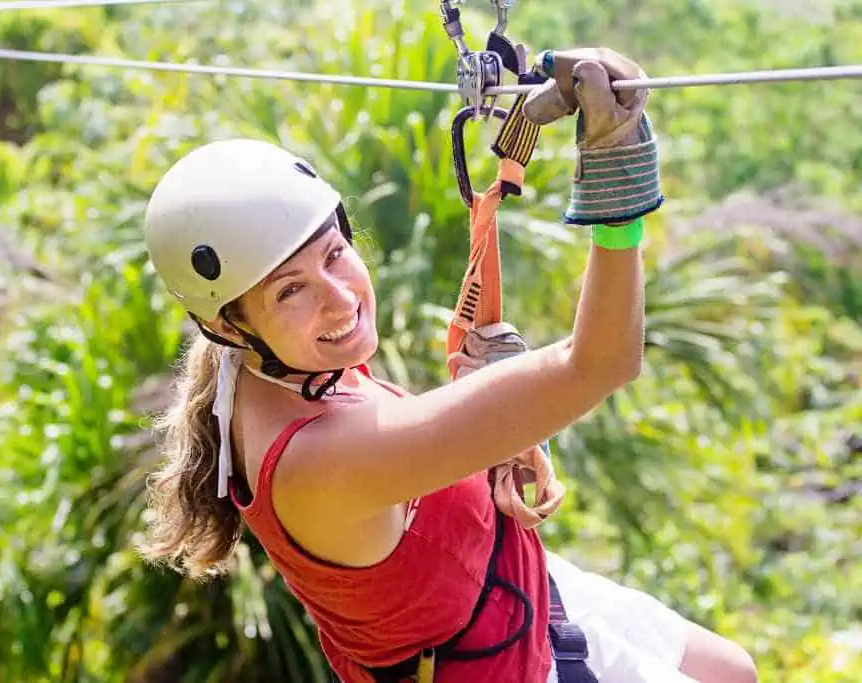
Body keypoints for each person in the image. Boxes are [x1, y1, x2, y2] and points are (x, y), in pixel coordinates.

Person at [137, 47, 758, 683]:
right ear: (228, 324)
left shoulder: (269, 364)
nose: (338, 296)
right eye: (288, 290)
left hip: (509, 592)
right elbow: (600, 363)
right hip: (507, 660)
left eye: (334, 253)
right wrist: (618, 190)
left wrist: (488, 424)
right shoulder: (316, 463)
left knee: (731, 671)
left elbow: (399, 453)